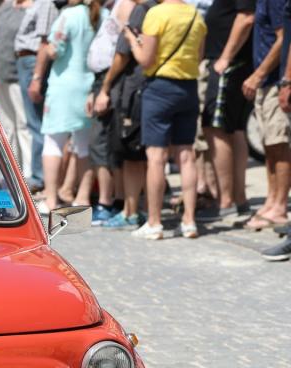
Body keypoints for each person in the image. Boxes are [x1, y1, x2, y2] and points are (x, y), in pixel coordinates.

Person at [123, 0, 206, 239]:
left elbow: (146, 59)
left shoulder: (157, 14)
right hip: (188, 87)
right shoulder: (195, 15)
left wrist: (132, 40)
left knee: (156, 157)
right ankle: (189, 221)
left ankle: (154, 222)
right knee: (186, 155)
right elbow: (198, 58)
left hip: (160, 87)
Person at [94, 0, 155, 230]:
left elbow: (123, 54)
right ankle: (146, 211)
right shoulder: (156, 9)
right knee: (148, 157)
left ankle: (131, 212)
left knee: (132, 156)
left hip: (134, 88)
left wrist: (106, 86)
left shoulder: (140, 10)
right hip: (149, 87)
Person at [36, 0, 100, 213]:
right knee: (83, 145)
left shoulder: (68, 15)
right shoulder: (105, 15)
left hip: (64, 86)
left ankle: (51, 199)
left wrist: (46, 48)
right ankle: (82, 197)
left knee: (53, 142)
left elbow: (55, 50)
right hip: (90, 86)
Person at [195, 0, 254, 222]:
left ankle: (227, 201)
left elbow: (247, 17)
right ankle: (237, 200)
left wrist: (225, 58)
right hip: (229, 62)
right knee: (232, 129)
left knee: (217, 128)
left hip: (228, 63)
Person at [239, 0, 289, 231]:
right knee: (269, 144)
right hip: (267, 81)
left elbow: (284, 39)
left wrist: (259, 74)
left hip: (275, 80)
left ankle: (279, 205)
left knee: (279, 144)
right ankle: (271, 199)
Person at [0, 0, 34, 187]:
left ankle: (29, 175)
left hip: (18, 76)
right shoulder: (5, 6)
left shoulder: (34, 8)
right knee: (7, 125)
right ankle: (12, 170)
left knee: (23, 125)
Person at [14, 0, 59, 193]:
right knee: (32, 122)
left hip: (33, 62)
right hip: (26, 60)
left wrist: (37, 77)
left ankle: (39, 177)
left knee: (36, 123)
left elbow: (44, 42)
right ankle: (38, 175)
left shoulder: (46, 4)